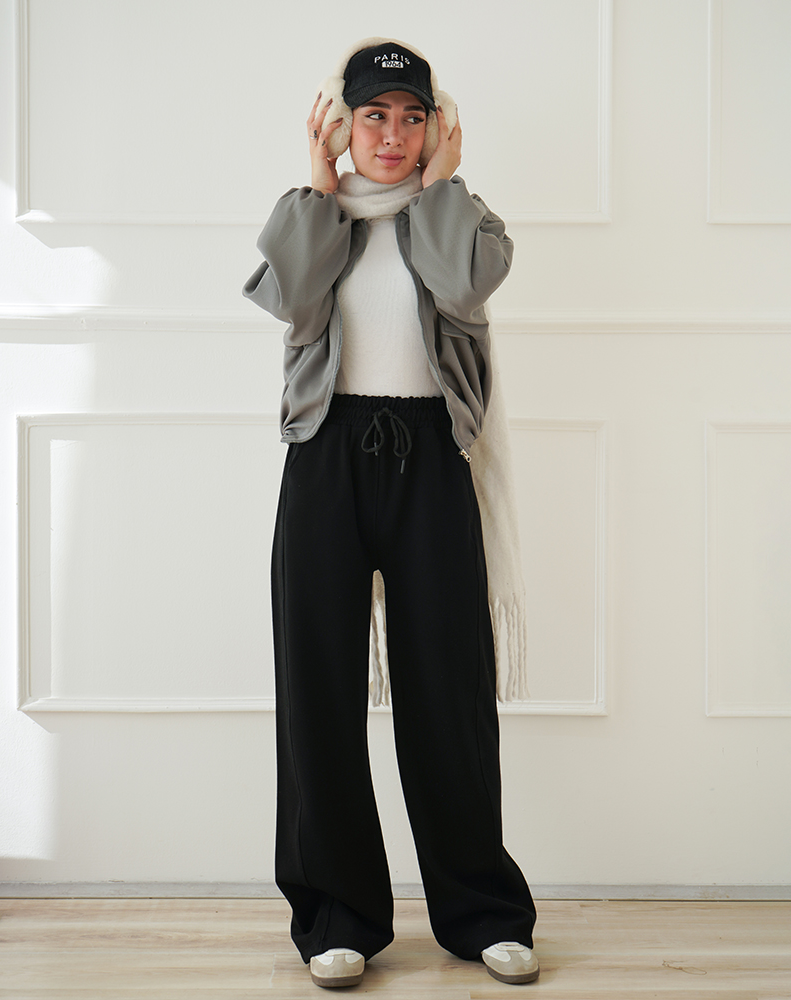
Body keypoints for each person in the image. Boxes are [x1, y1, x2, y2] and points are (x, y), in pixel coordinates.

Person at [242, 38, 539, 989]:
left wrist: (442, 185)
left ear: (437, 128)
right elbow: (294, 293)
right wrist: (318, 178)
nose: (393, 135)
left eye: (414, 117)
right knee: (319, 694)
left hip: (432, 463)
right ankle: (337, 918)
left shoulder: (466, 222)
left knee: (449, 694)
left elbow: (461, 285)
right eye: (374, 115)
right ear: (343, 123)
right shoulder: (311, 218)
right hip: (326, 460)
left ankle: (483, 914)